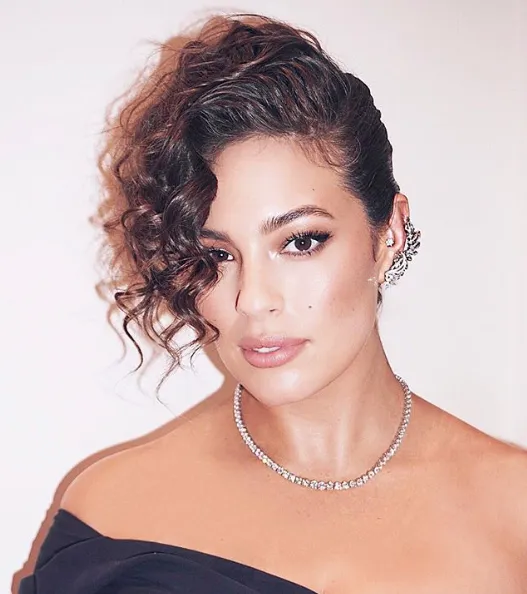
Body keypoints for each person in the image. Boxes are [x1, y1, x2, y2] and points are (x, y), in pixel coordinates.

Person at [18, 13, 527, 594]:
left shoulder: (514, 513)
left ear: (388, 233)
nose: (254, 299)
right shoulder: (112, 517)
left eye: (300, 242)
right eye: (216, 255)